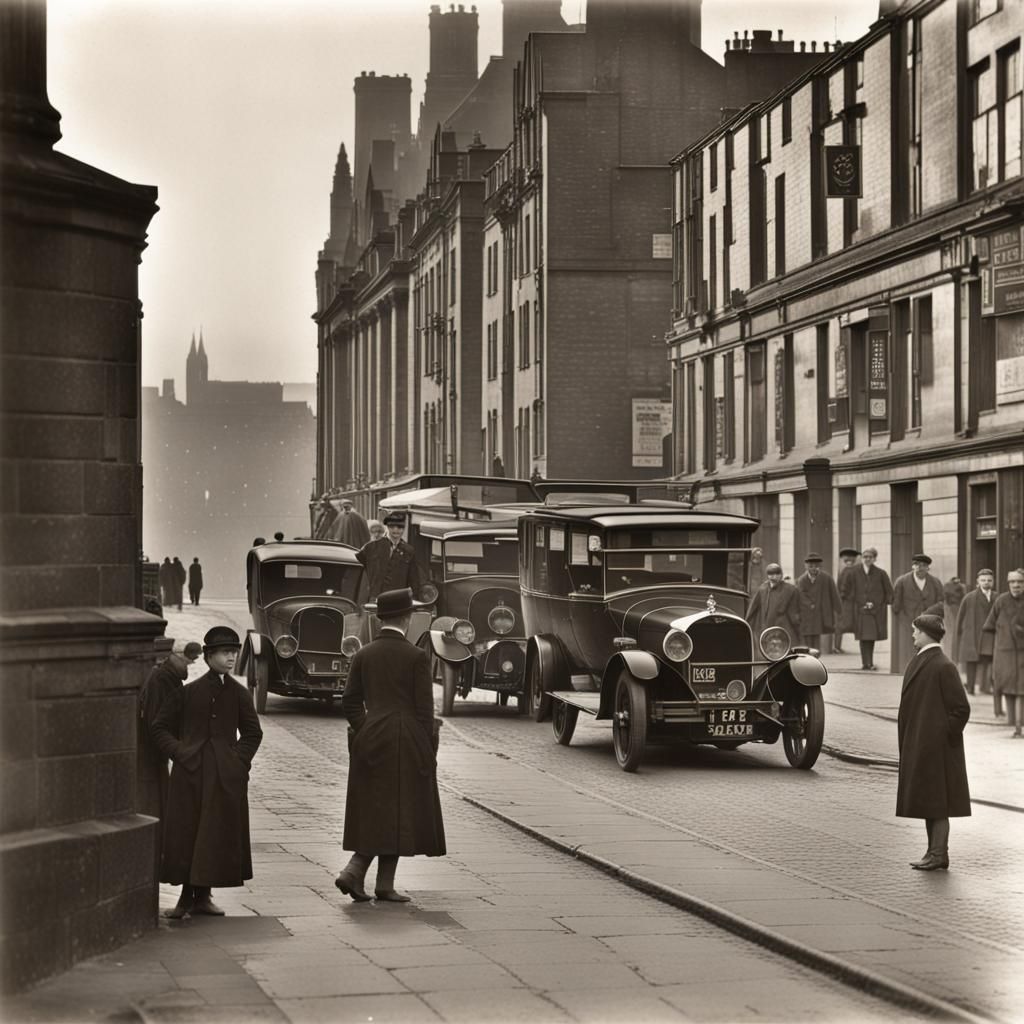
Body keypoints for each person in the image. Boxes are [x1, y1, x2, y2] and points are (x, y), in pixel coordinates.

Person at [336, 587, 445, 902]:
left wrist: (366, 727)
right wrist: (427, 750)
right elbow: (425, 710)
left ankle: (378, 883)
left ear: (380, 618)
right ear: (407, 618)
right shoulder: (416, 656)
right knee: (400, 810)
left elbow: (350, 701)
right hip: (407, 739)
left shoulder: (364, 653)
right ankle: (361, 875)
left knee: (377, 809)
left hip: (370, 738)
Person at [152, 626, 263, 918]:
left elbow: (253, 733)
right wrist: (180, 751)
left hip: (224, 779)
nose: (231, 658)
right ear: (209, 656)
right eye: (225, 652)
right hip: (189, 776)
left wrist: (237, 762)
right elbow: (159, 728)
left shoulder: (238, 694)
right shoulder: (187, 693)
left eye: (234, 653)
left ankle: (203, 897)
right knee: (187, 834)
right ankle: (184, 899)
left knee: (213, 835)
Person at [896, 614, 971, 872]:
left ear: (927, 634)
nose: (913, 635)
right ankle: (932, 852)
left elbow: (961, 709)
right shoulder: (923, 660)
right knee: (930, 800)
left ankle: (939, 854)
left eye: (915, 631)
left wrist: (941, 735)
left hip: (936, 748)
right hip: (922, 744)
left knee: (938, 803)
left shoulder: (942, 665)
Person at [138, 642, 203, 872]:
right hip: (154, 758)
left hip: (160, 757)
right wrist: (177, 750)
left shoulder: (169, 679)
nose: (191, 662)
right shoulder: (162, 680)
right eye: (187, 658)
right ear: (173, 656)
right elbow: (157, 724)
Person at [983, 569, 1024, 738]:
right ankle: (1013, 723)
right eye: (1012, 582)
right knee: (1007, 686)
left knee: (1022, 688)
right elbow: (989, 625)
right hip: (1005, 653)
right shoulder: (1001, 601)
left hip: (1023, 653)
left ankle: (1019, 725)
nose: (1016, 585)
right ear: (1008, 584)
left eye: (1020, 582)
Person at [356, 513, 426, 602]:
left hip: (397, 599)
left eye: (400, 527)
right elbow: (361, 573)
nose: (396, 530)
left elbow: (414, 580)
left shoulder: (409, 551)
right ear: (387, 527)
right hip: (375, 598)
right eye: (392, 527)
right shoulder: (371, 547)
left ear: (403, 529)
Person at [891, 555, 943, 674]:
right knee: (908, 648)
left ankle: (925, 671)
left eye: (924, 566)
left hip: (928, 623)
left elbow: (941, 602)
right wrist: (902, 620)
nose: (920, 568)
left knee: (927, 646)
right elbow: (896, 605)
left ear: (928, 568)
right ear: (912, 566)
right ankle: (907, 670)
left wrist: (929, 613)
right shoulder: (902, 581)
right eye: (917, 565)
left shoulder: (935, 582)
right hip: (906, 622)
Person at [955, 569, 997, 704]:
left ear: (993, 582)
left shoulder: (997, 597)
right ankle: (971, 687)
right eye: (983, 580)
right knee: (972, 661)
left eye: (989, 580)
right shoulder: (969, 597)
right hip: (972, 633)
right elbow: (960, 618)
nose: (986, 583)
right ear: (977, 582)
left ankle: (988, 686)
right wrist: (960, 635)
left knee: (990, 660)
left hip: (990, 633)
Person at [849, 547, 893, 671]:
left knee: (871, 637)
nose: (867, 559)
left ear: (874, 559)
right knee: (863, 637)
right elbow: (850, 590)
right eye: (865, 557)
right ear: (862, 558)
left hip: (875, 611)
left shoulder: (881, 573)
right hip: (860, 610)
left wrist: (876, 603)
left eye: (870, 557)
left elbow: (888, 591)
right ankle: (865, 663)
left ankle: (870, 662)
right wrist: (860, 603)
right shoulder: (854, 572)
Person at [795, 553, 842, 651]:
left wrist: (839, 610)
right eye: (811, 566)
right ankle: (808, 657)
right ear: (806, 566)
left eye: (816, 566)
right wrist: (809, 605)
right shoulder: (801, 580)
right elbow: (800, 595)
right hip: (807, 614)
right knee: (807, 636)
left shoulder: (827, 578)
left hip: (822, 613)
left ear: (820, 566)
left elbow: (834, 594)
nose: (813, 568)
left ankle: (818, 655)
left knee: (818, 636)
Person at [745, 563, 801, 643]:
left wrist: (797, 630)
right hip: (766, 628)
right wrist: (747, 624)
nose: (774, 577)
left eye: (777, 574)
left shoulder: (790, 590)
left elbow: (794, 613)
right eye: (771, 574)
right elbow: (752, 608)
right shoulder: (762, 589)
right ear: (767, 575)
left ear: (781, 575)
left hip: (783, 629)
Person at [834, 548, 860, 654]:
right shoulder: (850, 571)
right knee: (841, 625)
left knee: (840, 625)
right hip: (847, 602)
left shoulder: (844, 570)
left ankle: (837, 646)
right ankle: (836, 647)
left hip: (845, 601)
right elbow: (844, 588)